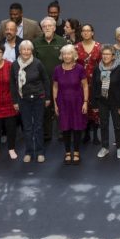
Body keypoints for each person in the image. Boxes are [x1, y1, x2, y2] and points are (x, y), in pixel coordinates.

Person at [11, 40, 51, 164]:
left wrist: (47, 97)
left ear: (31, 51)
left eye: (28, 49)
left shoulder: (37, 63)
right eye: (24, 49)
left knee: (38, 126)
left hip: (38, 98)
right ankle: (28, 152)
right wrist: (15, 101)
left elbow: (46, 80)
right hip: (23, 100)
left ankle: (40, 152)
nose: (26, 52)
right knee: (27, 127)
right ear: (20, 51)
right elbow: (13, 84)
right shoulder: (15, 65)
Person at [33, 17, 67, 146]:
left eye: (49, 26)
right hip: (42, 82)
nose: (47, 28)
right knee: (45, 108)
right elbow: (34, 63)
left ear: (54, 27)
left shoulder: (62, 41)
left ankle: (62, 132)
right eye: (44, 26)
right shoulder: (35, 43)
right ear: (42, 29)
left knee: (61, 107)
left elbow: (67, 60)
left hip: (60, 81)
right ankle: (46, 134)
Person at [53, 43, 89, 164]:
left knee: (77, 127)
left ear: (73, 55)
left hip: (77, 101)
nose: (67, 56)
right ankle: (68, 152)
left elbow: (85, 86)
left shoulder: (79, 68)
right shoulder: (57, 69)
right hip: (62, 102)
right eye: (64, 54)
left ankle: (77, 152)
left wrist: (85, 102)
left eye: (69, 54)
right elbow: (55, 87)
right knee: (65, 127)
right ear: (61, 56)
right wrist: (55, 103)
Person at [92, 45, 120, 159]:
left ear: (113, 56)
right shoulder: (97, 68)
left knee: (118, 126)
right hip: (102, 102)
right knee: (103, 125)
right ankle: (105, 147)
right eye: (103, 54)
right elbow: (94, 86)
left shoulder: (119, 69)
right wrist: (94, 104)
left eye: (108, 54)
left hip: (116, 102)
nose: (105, 56)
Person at [77, 24, 103, 145]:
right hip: (80, 83)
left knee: (95, 109)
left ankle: (96, 135)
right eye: (84, 31)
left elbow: (102, 65)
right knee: (83, 108)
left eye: (88, 31)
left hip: (96, 83)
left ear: (92, 33)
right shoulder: (76, 47)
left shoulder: (99, 47)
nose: (86, 33)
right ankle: (86, 133)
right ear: (81, 33)